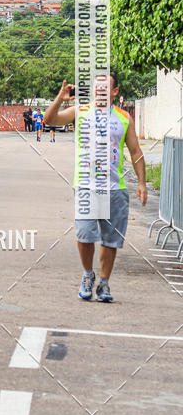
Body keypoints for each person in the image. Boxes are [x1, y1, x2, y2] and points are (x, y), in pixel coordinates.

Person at [44, 74, 147, 303]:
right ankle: (88, 275)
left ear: (114, 92)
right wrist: (61, 98)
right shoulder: (80, 112)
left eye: (105, 87)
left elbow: (135, 151)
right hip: (85, 186)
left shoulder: (123, 118)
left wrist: (141, 182)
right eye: (96, 86)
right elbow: (49, 120)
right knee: (84, 234)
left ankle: (104, 283)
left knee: (110, 240)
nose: (99, 90)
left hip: (114, 189)